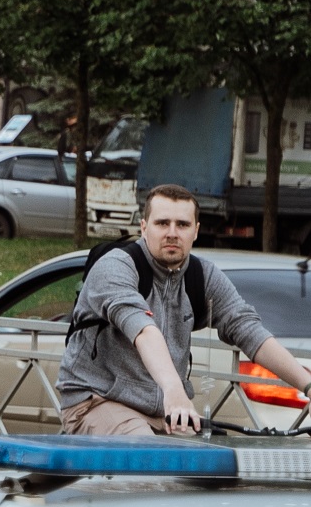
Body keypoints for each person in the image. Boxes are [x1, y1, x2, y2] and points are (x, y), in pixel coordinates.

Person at [58, 182, 311, 432]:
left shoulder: (203, 276)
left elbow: (248, 329)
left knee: (205, 466)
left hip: (163, 411)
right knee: (149, 457)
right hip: (96, 401)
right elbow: (143, 329)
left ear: (196, 230)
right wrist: (174, 391)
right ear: (144, 227)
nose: (172, 233)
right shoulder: (116, 267)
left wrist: (307, 384)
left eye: (182, 224)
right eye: (162, 223)